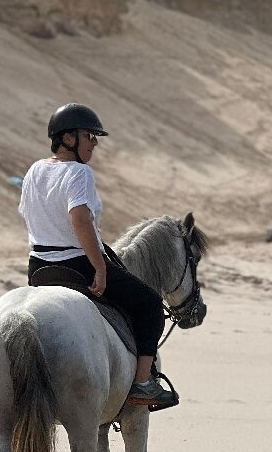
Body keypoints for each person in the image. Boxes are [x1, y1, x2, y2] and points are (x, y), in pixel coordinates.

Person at [18, 102, 177, 410]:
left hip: (38, 268)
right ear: (67, 139)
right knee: (149, 305)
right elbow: (79, 219)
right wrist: (100, 268)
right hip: (77, 266)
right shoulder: (79, 173)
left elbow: (28, 214)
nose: (95, 143)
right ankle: (143, 385)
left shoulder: (35, 170)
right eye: (89, 136)